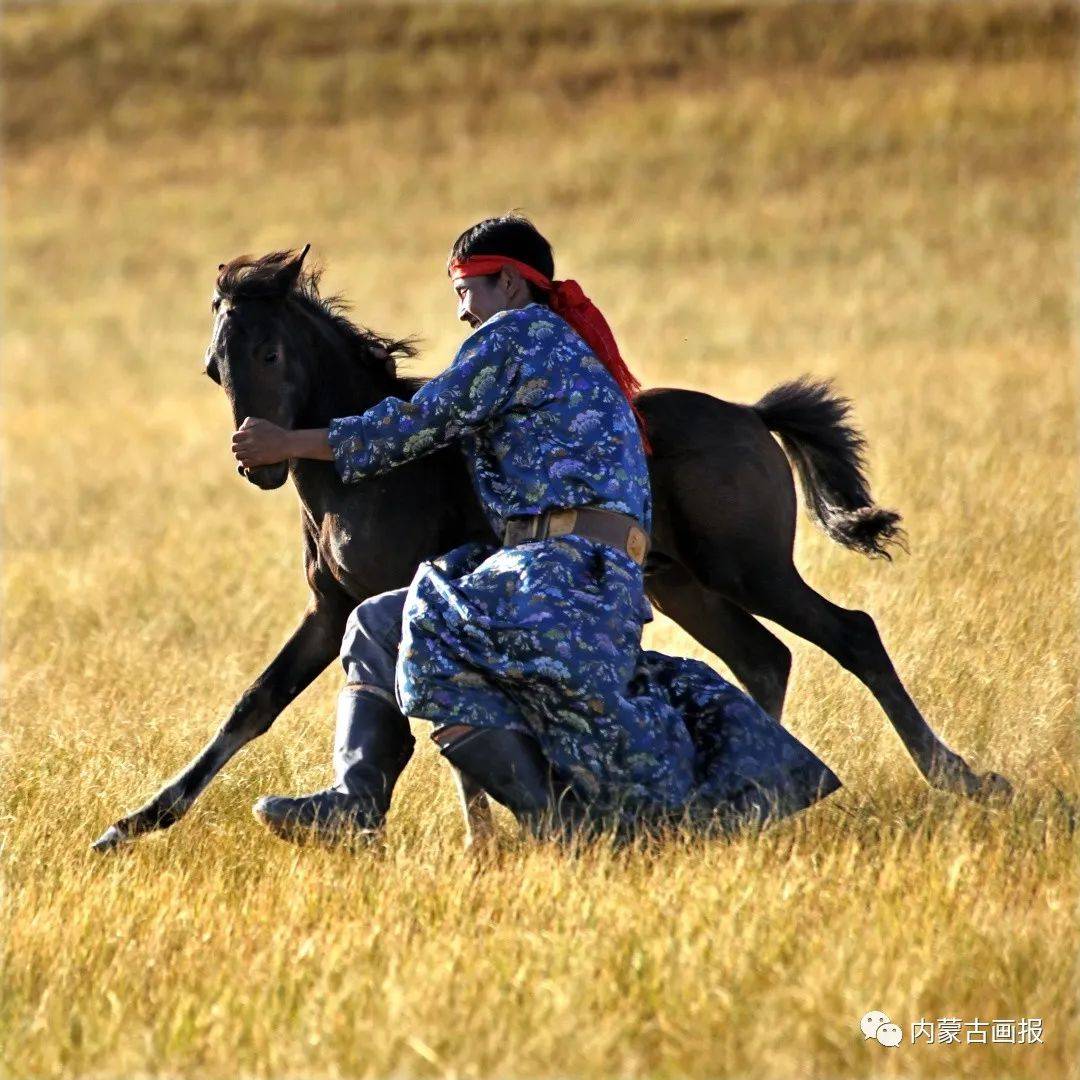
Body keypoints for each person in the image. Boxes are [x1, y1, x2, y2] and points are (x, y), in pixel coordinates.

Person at [232, 214, 841, 843]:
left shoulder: (516, 339)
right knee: (380, 621)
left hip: (556, 578)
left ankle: (549, 826)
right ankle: (360, 803)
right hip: (590, 585)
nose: (462, 313)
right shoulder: (564, 348)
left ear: (511, 286)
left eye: (467, 292)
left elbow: (412, 426)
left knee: (423, 634)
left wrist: (288, 442)